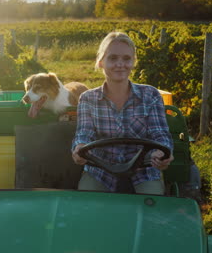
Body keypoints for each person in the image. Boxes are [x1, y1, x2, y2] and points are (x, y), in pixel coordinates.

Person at [71, 32, 174, 195]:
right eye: (112, 58)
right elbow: (84, 133)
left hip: (143, 171)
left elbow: (160, 134)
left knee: (152, 202)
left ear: (134, 62)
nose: (120, 64)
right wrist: (79, 148)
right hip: (100, 172)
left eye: (126, 59)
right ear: (100, 62)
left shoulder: (150, 95)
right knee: (87, 202)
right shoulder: (88, 99)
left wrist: (161, 153)